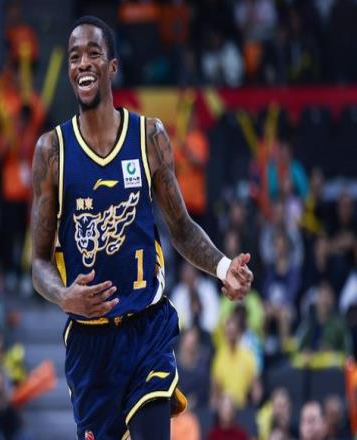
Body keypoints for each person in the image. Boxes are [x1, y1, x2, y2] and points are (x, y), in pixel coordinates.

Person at [31, 15, 253, 440]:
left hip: (146, 327)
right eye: (74, 57)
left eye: (93, 53)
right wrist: (64, 295)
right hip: (90, 344)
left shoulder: (148, 136)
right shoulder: (51, 151)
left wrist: (224, 268)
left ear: (112, 66)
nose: (82, 63)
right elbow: (38, 262)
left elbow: (181, 227)